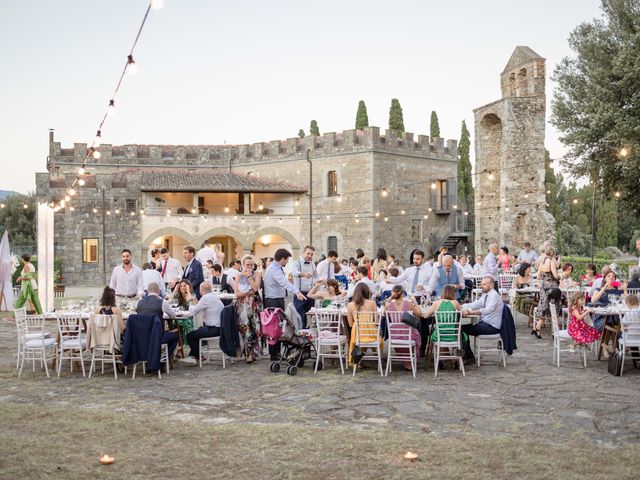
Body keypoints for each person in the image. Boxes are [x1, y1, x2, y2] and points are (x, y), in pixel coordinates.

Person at [263, 248, 306, 360]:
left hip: (275, 299)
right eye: (286, 260)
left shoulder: (274, 267)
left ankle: (276, 352)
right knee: (275, 328)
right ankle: (274, 354)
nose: (287, 262)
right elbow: (284, 282)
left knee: (277, 327)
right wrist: (297, 291)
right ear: (282, 259)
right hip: (274, 300)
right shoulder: (275, 270)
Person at [460, 277, 504, 362]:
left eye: (484, 284)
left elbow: (487, 311)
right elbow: (476, 304)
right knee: (461, 329)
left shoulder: (494, 295)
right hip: (485, 324)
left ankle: (468, 357)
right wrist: (460, 306)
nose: (481, 286)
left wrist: (470, 313)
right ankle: (468, 356)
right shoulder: (486, 295)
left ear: (491, 285)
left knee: (461, 329)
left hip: (492, 327)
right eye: (481, 284)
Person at [135, 282, 178, 368]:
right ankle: (162, 360)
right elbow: (173, 316)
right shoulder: (162, 302)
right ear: (159, 291)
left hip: (141, 337)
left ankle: (151, 359)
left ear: (147, 291)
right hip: (157, 337)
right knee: (175, 337)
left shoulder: (139, 302)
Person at [181, 282, 224, 363]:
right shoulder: (214, 296)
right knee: (197, 332)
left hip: (214, 329)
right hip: (220, 327)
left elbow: (194, 311)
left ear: (201, 290)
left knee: (190, 336)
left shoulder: (205, 298)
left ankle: (198, 356)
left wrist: (190, 302)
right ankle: (195, 356)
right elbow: (199, 306)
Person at [385, 284, 422, 370]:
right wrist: (415, 301)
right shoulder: (408, 303)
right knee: (417, 333)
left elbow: (384, 314)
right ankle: (409, 361)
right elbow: (419, 314)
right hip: (407, 335)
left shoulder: (388, 305)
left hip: (394, 335)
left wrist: (389, 299)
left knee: (409, 334)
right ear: (402, 293)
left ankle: (406, 362)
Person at [233, 255, 263, 363]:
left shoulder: (257, 274)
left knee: (253, 328)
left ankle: (252, 352)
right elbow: (236, 293)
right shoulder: (238, 275)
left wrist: (249, 277)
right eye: (247, 264)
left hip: (253, 305)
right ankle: (248, 353)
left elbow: (255, 288)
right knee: (244, 328)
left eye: (251, 264)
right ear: (243, 265)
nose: (249, 266)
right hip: (242, 305)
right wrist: (248, 293)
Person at [347, 282, 381, 368]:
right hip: (371, 334)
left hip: (357, 335)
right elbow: (376, 321)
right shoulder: (372, 303)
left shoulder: (350, 305)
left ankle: (358, 359)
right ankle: (375, 356)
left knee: (357, 335)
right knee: (379, 339)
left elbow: (350, 324)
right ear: (367, 292)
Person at [532, 247, 560, 338]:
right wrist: (560, 277)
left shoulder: (542, 262)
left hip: (544, 286)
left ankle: (537, 328)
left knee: (544, 306)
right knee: (554, 307)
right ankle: (554, 332)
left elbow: (538, 276)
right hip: (552, 286)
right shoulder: (551, 262)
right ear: (553, 254)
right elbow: (555, 275)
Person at [291, 245, 318, 325]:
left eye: (312, 254)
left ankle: (307, 334)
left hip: (310, 294)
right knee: (299, 316)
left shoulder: (313, 264)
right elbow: (294, 273)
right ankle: (299, 334)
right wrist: (304, 274)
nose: (309, 256)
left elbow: (316, 276)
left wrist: (318, 281)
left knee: (309, 316)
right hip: (299, 293)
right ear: (303, 253)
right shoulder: (296, 263)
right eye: (308, 253)